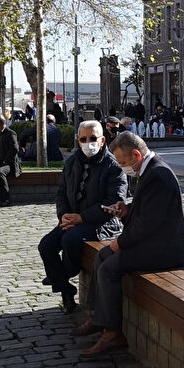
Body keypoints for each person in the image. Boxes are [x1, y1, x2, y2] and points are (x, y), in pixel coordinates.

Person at [80, 132, 184, 358]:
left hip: (163, 250)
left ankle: (112, 334)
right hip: (152, 243)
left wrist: (119, 243)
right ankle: (98, 318)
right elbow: (145, 215)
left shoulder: (158, 174)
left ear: (137, 154)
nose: (122, 167)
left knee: (109, 267)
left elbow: (148, 226)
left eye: (123, 162)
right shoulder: (149, 170)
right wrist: (126, 211)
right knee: (102, 257)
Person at [41, 121, 127, 314]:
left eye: (93, 138)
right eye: (83, 139)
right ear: (78, 141)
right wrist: (63, 215)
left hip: (101, 223)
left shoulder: (112, 166)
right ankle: (65, 288)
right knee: (46, 245)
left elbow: (114, 201)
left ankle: (59, 276)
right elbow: (62, 192)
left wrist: (82, 218)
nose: (88, 143)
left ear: (102, 140)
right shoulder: (72, 162)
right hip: (72, 220)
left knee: (70, 239)